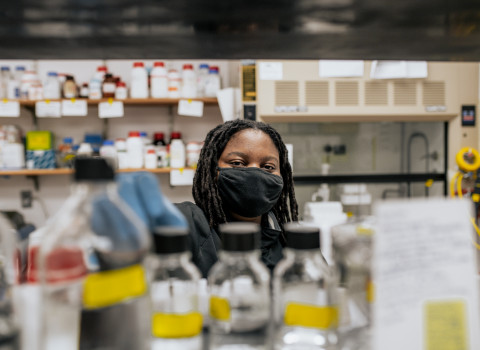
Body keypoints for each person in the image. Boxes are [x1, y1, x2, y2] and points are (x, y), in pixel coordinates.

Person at [175, 119, 298, 277]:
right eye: (238, 163)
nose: (255, 173)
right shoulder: (186, 222)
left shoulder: (292, 241)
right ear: (212, 170)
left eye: (268, 167)